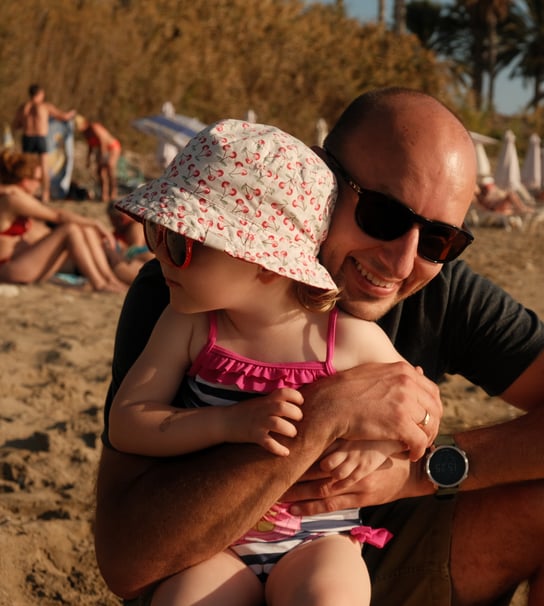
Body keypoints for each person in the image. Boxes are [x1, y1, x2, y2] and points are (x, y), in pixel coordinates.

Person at [94, 88, 544, 605]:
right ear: (321, 181)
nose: (402, 261)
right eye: (383, 214)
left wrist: (423, 472)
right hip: (209, 554)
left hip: (354, 555)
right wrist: (323, 414)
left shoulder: (436, 287)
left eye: (441, 238)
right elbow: (127, 561)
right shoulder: (191, 289)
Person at [108, 119, 422, 604]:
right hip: (212, 540)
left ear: (264, 263)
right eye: (157, 232)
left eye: (181, 244)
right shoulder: (188, 325)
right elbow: (128, 422)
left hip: (317, 541)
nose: (160, 259)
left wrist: (378, 447)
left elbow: (413, 410)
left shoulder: (351, 341)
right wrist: (226, 424)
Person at [0, 149, 127, 292]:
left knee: (83, 229)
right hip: (9, 268)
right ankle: (99, 283)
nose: (39, 185)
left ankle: (109, 279)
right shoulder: (13, 199)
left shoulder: (14, 195)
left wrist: (89, 226)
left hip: (25, 263)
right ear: (24, 180)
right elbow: (57, 216)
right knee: (70, 229)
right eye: (37, 180)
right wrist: (95, 223)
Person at [11, 84, 76, 203]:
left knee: (26, 167)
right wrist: (71, 114)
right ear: (40, 94)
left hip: (27, 138)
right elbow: (63, 117)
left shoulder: (23, 107)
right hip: (40, 138)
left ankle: (26, 193)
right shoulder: (45, 106)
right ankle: (45, 194)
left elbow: (15, 125)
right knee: (44, 167)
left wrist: (26, 123)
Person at [74, 115, 122, 203]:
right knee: (101, 172)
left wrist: (103, 155)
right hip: (101, 149)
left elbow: (102, 140)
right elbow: (91, 146)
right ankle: (104, 195)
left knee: (110, 167)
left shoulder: (94, 127)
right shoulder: (85, 133)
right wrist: (88, 160)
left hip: (112, 147)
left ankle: (114, 193)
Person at [104, 202, 154, 284]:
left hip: (137, 259)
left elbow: (136, 249)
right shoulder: (116, 235)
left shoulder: (135, 226)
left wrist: (122, 250)